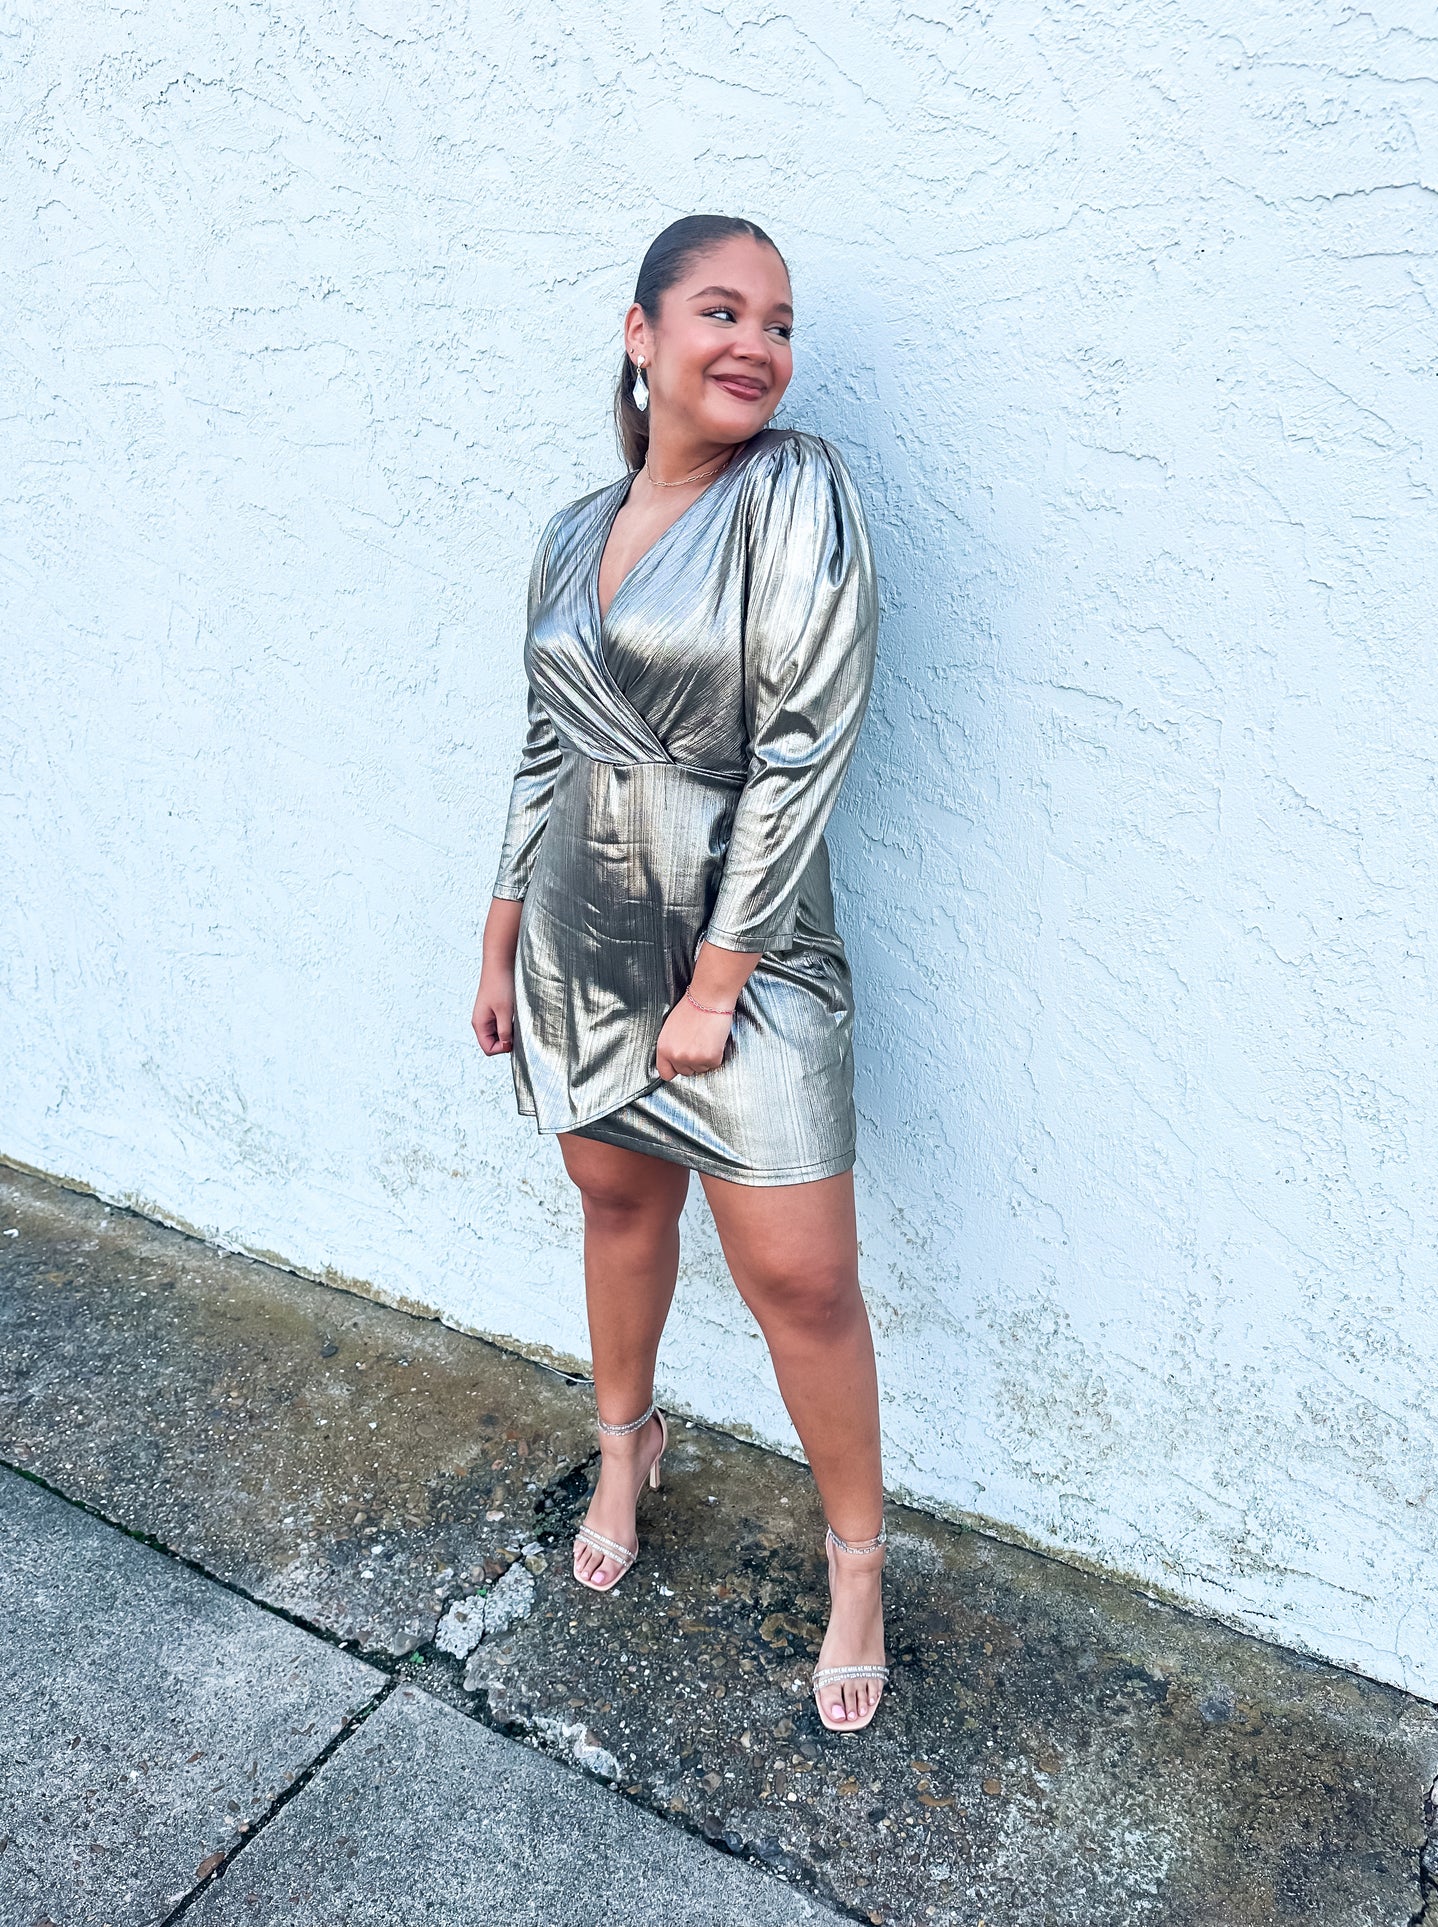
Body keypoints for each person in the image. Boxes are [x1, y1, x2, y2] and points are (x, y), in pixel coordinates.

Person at [471, 214, 886, 1733]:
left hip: (744, 953)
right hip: (579, 940)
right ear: (640, 333)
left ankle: (856, 1564)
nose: (756, 345)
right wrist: (499, 934)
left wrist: (717, 984)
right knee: (616, 1205)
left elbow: (803, 746)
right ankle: (623, 1444)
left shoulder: (794, 491)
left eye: (779, 323)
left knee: (803, 1280)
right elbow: (546, 743)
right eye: (722, 310)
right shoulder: (570, 531)